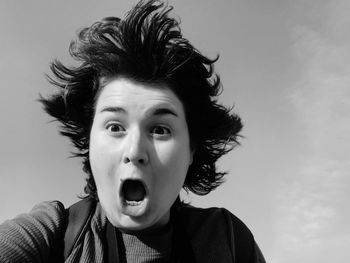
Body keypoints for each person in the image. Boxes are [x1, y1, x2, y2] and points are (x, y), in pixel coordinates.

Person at [0, 0, 266, 262]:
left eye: (160, 130)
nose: (135, 151)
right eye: (115, 127)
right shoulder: (51, 233)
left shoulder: (226, 240)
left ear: (191, 150)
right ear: (90, 141)